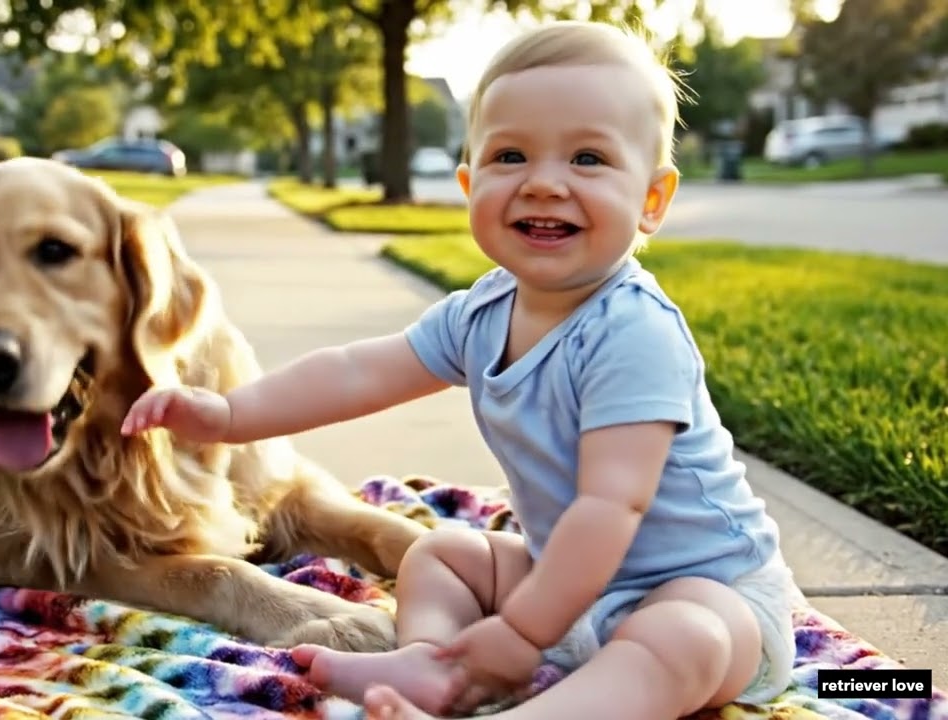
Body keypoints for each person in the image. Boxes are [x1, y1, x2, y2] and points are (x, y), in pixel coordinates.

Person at [120, 20, 804, 720]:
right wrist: (232, 415)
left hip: (703, 589)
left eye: (588, 159)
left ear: (652, 201)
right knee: (441, 554)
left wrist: (521, 631)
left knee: (679, 638)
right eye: (512, 156)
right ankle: (434, 666)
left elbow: (611, 508)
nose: (544, 184)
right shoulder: (482, 312)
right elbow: (358, 371)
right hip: (565, 585)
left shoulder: (633, 332)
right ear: (469, 182)